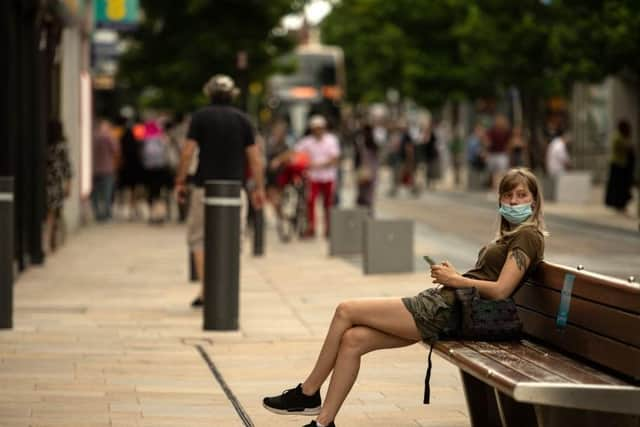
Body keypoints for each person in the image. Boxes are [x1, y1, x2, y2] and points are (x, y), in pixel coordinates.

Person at [262, 167, 546, 427]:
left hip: (445, 312)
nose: (513, 201)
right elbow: (488, 281)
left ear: (534, 202)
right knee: (352, 340)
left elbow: (501, 290)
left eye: (521, 196)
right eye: (507, 195)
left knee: (345, 310)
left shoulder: (528, 236)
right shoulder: (510, 236)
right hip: (450, 310)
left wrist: (455, 280)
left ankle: (308, 392)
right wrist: (456, 276)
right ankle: (324, 423)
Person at [174, 74, 265, 307]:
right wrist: (259, 188)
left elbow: (187, 152)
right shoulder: (243, 119)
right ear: (232, 94)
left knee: (198, 238)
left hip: (204, 187)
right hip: (235, 189)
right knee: (234, 239)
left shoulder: (200, 117)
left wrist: (180, 181)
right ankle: (225, 289)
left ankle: (207, 290)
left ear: (209, 93)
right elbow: (255, 158)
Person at [272, 115, 340, 238]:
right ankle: (311, 227)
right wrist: (279, 160)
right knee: (311, 202)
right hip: (313, 177)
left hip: (328, 177)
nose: (318, 131)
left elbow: (334, 159)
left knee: (328, 204)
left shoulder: (331, 140)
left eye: (320, 128)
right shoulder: (308, 141)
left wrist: (317, 165)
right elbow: (294, 151)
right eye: (315, 128)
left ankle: (328, 229)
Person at [44, 120, 72, 253]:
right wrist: (68, 184)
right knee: (53, 212)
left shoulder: (44, 145)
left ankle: (49, 240)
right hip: (56, 182)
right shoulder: (62, 146)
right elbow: (67, 167)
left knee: (49, 212)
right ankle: (49, 241)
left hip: (45, 181)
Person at [91, 119, 119, 222]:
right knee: (107, 194)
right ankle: (107, 215)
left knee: (95, 194)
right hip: (107, 169)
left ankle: (97, 214)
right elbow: (116, 150)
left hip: (94, 169)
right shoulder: (108, 138)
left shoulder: (93, 137)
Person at [605, 120, 635, 213]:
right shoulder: (619, 137)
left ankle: (620, 204)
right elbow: (628, 148)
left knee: (619, 186)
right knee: (619, 186)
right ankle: (619, 204)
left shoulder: (620, 136)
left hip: (621, 164)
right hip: (619, 165)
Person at [354, 124, 379, 210]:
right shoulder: (374, 144)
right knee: (369, 196)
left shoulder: (362, 144)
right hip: (372, 172)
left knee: (363, 195)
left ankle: (364, 214)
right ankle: (368, 213)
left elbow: (358, 159)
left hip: (364, 172)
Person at [486, 114, 512, 188]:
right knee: (495, 173)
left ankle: (499, 187)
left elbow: (509, 143)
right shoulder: (492, 131)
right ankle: (495, 187)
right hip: (494, 154)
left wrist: (508, 152)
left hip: (501, 154)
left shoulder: (506, 131)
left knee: (501, 172)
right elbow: (487, 142)